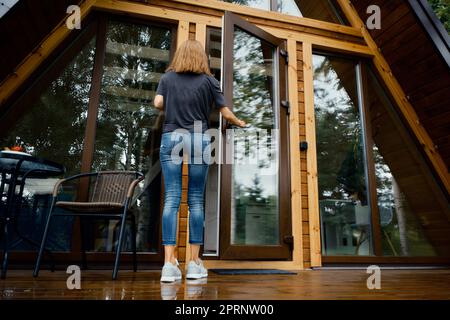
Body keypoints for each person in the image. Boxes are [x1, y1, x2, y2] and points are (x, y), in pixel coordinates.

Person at [154, 39, 246, 282]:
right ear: (201, 58)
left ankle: (168, 264)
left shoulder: (168, 78)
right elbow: (224, 111)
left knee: (172, 200)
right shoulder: (209, 81)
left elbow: (158, 103)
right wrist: (239, 122)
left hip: (172, 136)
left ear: (179, 56)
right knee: (196, 200)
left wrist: (172, 102)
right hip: (198, 137)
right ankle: (194, 264)